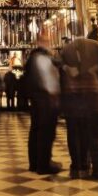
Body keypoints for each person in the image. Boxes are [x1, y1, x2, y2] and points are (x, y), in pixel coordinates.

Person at [59, 37, 98, 179]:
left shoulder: (68, 52)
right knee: (90, 135)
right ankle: (95, 168)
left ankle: (79, 167)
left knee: (77, 134)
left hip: (75, 102)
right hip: (89, 103)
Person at [25, 32, 62, 175]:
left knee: (36, 131)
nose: (49, 42)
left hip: (37, 99)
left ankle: (34, 163)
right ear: (41, 42)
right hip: (45, 99)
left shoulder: (34, 57)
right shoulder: (41, 57)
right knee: (46, 132)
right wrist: (54, 94)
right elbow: (49, 80)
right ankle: (43, 165)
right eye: (47, 40)